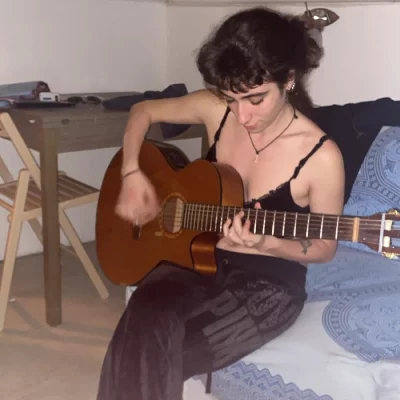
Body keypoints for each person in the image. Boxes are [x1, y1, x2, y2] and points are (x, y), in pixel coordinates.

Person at [96, 6, 345, 400]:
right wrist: (131, 172)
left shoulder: (321, 157)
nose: (242, 115)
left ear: (289, 78)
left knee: (154, 353)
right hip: (195, 255)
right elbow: (142, 111)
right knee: (144, 316)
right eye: (231, 99)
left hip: (265, 284)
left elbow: (324, 248)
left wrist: (267, 243)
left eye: (256, 98)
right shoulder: (217, 111)